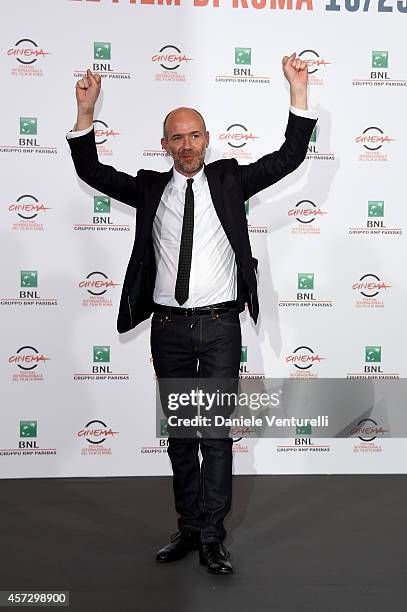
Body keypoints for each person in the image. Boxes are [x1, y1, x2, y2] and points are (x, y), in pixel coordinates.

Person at [66, 52, 317, 575]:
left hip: (222, 326)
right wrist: (86, 112)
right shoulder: (148, 187)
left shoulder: (230, 181)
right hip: (169, 329)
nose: (187, 145)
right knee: (182, 433)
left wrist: (297, 92)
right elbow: (90, 169)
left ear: (207, 139)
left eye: (195, 135)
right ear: (165, 146)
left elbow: (289, 157)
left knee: (216, 436)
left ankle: (212, 536)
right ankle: (186, 527)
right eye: (177, 138)